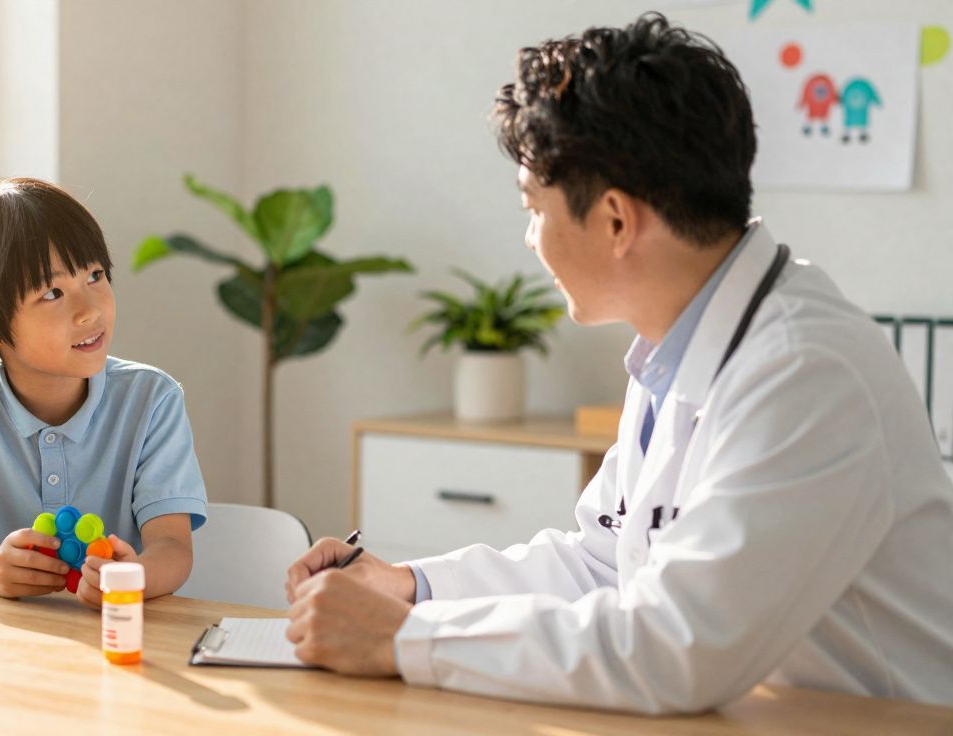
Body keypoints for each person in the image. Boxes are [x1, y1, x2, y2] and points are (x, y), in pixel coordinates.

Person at [285, 13, 953, 713]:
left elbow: (677, 648)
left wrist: (407, 639)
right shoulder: (680, 344)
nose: (530, 239)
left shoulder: (806, 373)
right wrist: (412, 589)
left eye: (532, 209)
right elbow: (602, 565)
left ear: (614, 220)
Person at [0, 177, 207, 610]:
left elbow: (173, 546)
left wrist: (133, 577)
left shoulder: (152, 400)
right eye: (52, 292)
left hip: (115, 642)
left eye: (95, 275)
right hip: (3, 652)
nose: (91, 310)